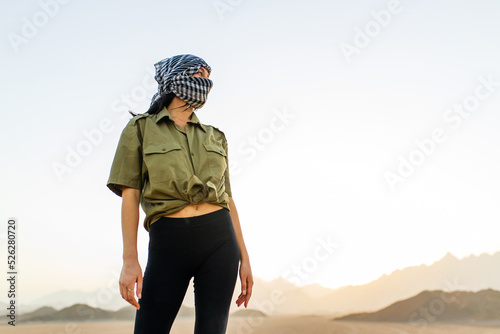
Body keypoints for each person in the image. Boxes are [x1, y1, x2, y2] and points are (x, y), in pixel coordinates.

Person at [106, 54, 253, 333]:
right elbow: (130, 196)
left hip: (220, 240)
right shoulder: (140, 128)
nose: (205, 83)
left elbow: (228, 200)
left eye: (207, 78)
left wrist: (245, 258)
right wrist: (129, 260)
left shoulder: (216, 136)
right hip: (169, 241)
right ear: (175, 79)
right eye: (198, 75)